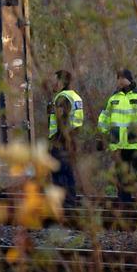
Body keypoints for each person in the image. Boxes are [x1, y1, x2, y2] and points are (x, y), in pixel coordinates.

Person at [97, 69, 137, 203]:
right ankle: (124, 206)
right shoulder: (113, 98)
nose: (117, 81)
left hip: (136, 143)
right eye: (117, 78)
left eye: (119, 78)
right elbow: (104, 117)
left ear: (126, 79)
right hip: (118, 144)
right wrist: (102, 135)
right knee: (122, 177)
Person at [47, 69, 85, 203]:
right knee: (69, 175)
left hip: (61, 143)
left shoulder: (62, 98)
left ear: (61, 82)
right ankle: (71, 204)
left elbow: (61, 123)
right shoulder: (75, 96)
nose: (52, 83)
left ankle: (64, 208)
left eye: (54, 80)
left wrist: (55, 144)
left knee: (60, 175)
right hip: (72, 141)